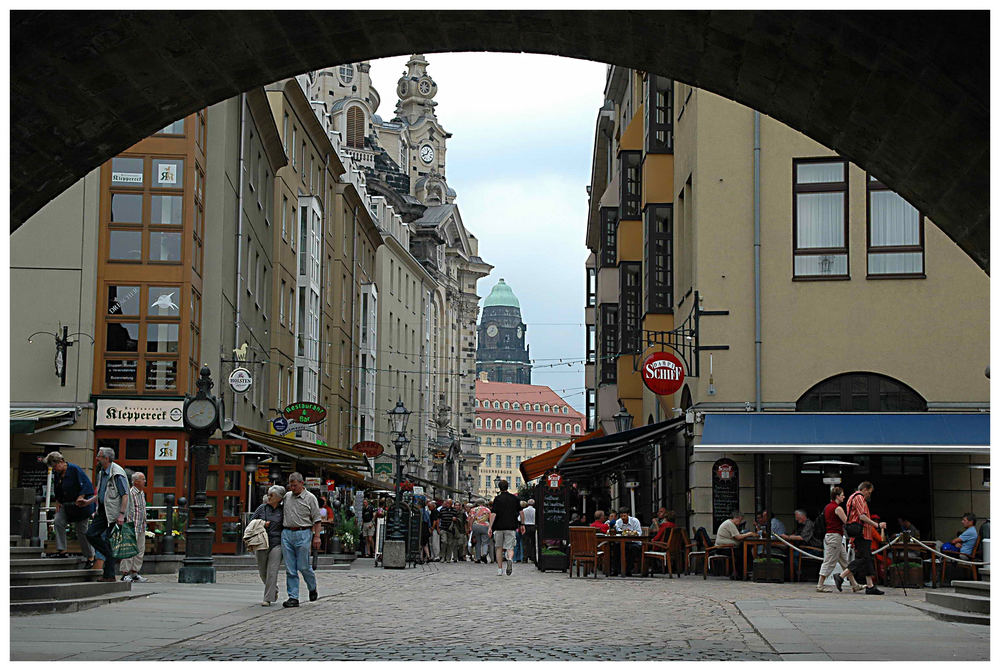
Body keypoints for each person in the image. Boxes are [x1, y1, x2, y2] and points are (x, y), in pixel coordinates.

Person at [83, 446, 130, 583]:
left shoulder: (117, 473)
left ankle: (109, 575)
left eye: (99, 456)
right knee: (90, 534)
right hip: (104, 510)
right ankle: (108, 557)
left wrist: (121, 515)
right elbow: (101, 493)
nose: (97, 458)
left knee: (109, 541)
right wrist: (88, 502)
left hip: (114, 513)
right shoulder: (102, 472)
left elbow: (125, 495)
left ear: (106, 459)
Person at [42, 451, 96, 566]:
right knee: (58, 521)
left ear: (61, 462)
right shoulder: (57, 474)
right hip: (66, 505)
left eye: (55, 466)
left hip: (81, 506)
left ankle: (90, 557)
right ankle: (62, 550)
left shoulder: (74, 469)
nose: (54, 469)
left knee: (82, 531)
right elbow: (57, 489)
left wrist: (81, 497)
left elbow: (87, 485)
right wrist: (57, 501)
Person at [280, 472, 321, 607]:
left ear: (301, 484)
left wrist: (316, 536)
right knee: (290, 568)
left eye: (295, 486)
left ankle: (312, 587)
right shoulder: (287, 497)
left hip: (303, 532)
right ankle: (293, 597)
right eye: (291, 486)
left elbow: (317, 519)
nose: (292, 488)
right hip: (287, 533)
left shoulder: (310, 498)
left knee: (303, 566)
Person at [840, 481, 886, 595]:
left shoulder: (852, 497)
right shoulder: (859, 497)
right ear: (865, 489)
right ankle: (841, 576)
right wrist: (877, 525)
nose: (869, 495)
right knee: (865, 558)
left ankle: (870, 586)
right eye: (869, 493)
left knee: (866, 558)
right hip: (862, 533)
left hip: (859, 533)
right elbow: (862, 516)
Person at [818, 486, 859, 593]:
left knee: (845, 562)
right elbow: (847, 522)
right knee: (829, 561)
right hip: (835, 537)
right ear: (837, 496)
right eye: (842, 495)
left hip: (831, 536)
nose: (844, 497)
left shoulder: (827, 507)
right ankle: (820, 585)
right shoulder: (838, 508)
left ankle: (854, 585)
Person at [252, 485, 285, 606]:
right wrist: (262, 524)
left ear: (279, 498)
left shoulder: (283, 510)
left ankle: (268, 598)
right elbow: (251, 522)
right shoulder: (262, 508)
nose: (268, 497)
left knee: (272, 571)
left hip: (277, 543)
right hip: (261, 543)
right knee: (262, 571)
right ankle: (273, 589)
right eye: (268, 494)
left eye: (272, 495)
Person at [119, 471, 149, 583]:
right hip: (132, 525)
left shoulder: (141, 493)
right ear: (136, 481)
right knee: (128, 550)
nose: (145, 481)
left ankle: (135, 573)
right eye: (143, 479)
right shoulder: (130, 493)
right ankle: (125, 573)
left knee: (140, 550)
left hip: (141, 526)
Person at [489, 480, 522, 576]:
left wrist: (490, 527)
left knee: (499, 548)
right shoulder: (514, 499)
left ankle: (500, 569)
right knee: (510, 547)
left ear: (499, 487)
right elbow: (521, 512)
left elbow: (493, 514)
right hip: (511, 526)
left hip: (499, 527)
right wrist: (523, 524)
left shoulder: (497, 499)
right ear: (508, 487)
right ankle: (510, 559)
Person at [715, 510, 757, 578]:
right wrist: (749, 534)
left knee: (745, 549)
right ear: (737, 518)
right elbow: (738, 537)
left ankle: (744, 572)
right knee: (742, 553)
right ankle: (742, 573)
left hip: (726, 547)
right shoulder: (730, 524)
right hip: (723, 548)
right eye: (740, 520)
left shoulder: (730, 523)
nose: (740, 522)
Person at [609, 508, 643, 577]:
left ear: (628, 515)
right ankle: (615, 570)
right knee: (615, 547)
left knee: (630, 549)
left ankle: (628, 570)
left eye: (624, 516)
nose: (623, 518)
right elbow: (618, 532)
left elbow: (639, 533)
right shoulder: (618, 522)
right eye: (621, 516)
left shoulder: (635, 521)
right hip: (622, 542)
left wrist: (631, 533)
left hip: (634, 542)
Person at [521, 498, 536, 563]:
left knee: (525, 542)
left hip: (525, 526)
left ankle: (525, 557)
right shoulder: (535, 510)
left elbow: (519, 519)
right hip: (533, 526)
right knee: (533, 542)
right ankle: (533, 557)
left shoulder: (524, 510)